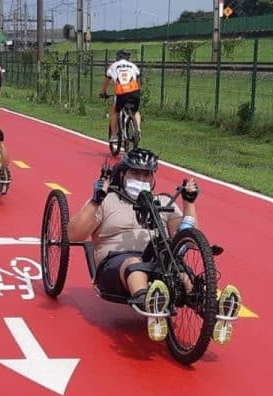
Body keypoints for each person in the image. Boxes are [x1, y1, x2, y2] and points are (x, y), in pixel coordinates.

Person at [66, 148, 201, 342]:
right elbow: (73, 235)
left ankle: (207, 303)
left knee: (179, 270)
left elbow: (189, 238)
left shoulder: (162, 202)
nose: (142, 179)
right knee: (134, 264)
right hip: (115, 264)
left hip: (157, 262)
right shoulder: (107, 200)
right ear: (123, 174)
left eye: (146, 175)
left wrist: (189, 203)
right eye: (136, 173)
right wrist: (96, 201)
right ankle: (148, 303)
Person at [98, 50, 142, 145]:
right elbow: (138, 80)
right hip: (135, 91)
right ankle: (137, 128)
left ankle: (114, 135)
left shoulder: (113, 66)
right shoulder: (133, 66)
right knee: (135, 111)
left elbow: (106, 82)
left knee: (115, 111)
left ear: (117, 58)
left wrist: (103, 93)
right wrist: (138, 92)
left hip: (121, 92)